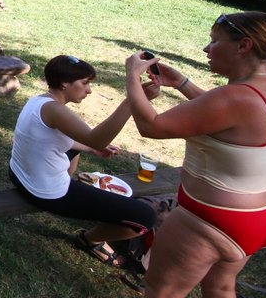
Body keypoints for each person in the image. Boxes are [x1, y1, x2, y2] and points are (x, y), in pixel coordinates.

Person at [92, 12, 266, 298]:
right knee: (222, 285)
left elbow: (151, 126)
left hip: (212, 220)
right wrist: (181, 83)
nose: (206, 48)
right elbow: (226, 116)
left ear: (244, 45)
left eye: (214, 41)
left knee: (163, 294)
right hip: (265, 217)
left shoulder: (234, 98)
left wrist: (132, 76)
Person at [10, 55, 158, 271]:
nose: (89, 90)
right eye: (85, 83)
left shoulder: (39, 101)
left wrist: (90, 148)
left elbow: (72, 140)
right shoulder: (56, 110)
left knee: (78, 146)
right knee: (145, 217)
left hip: (18, 174)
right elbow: (97, 138)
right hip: (45, 192)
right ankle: (89, 240)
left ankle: (71, 185)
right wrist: (130, 103)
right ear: (64, 83)